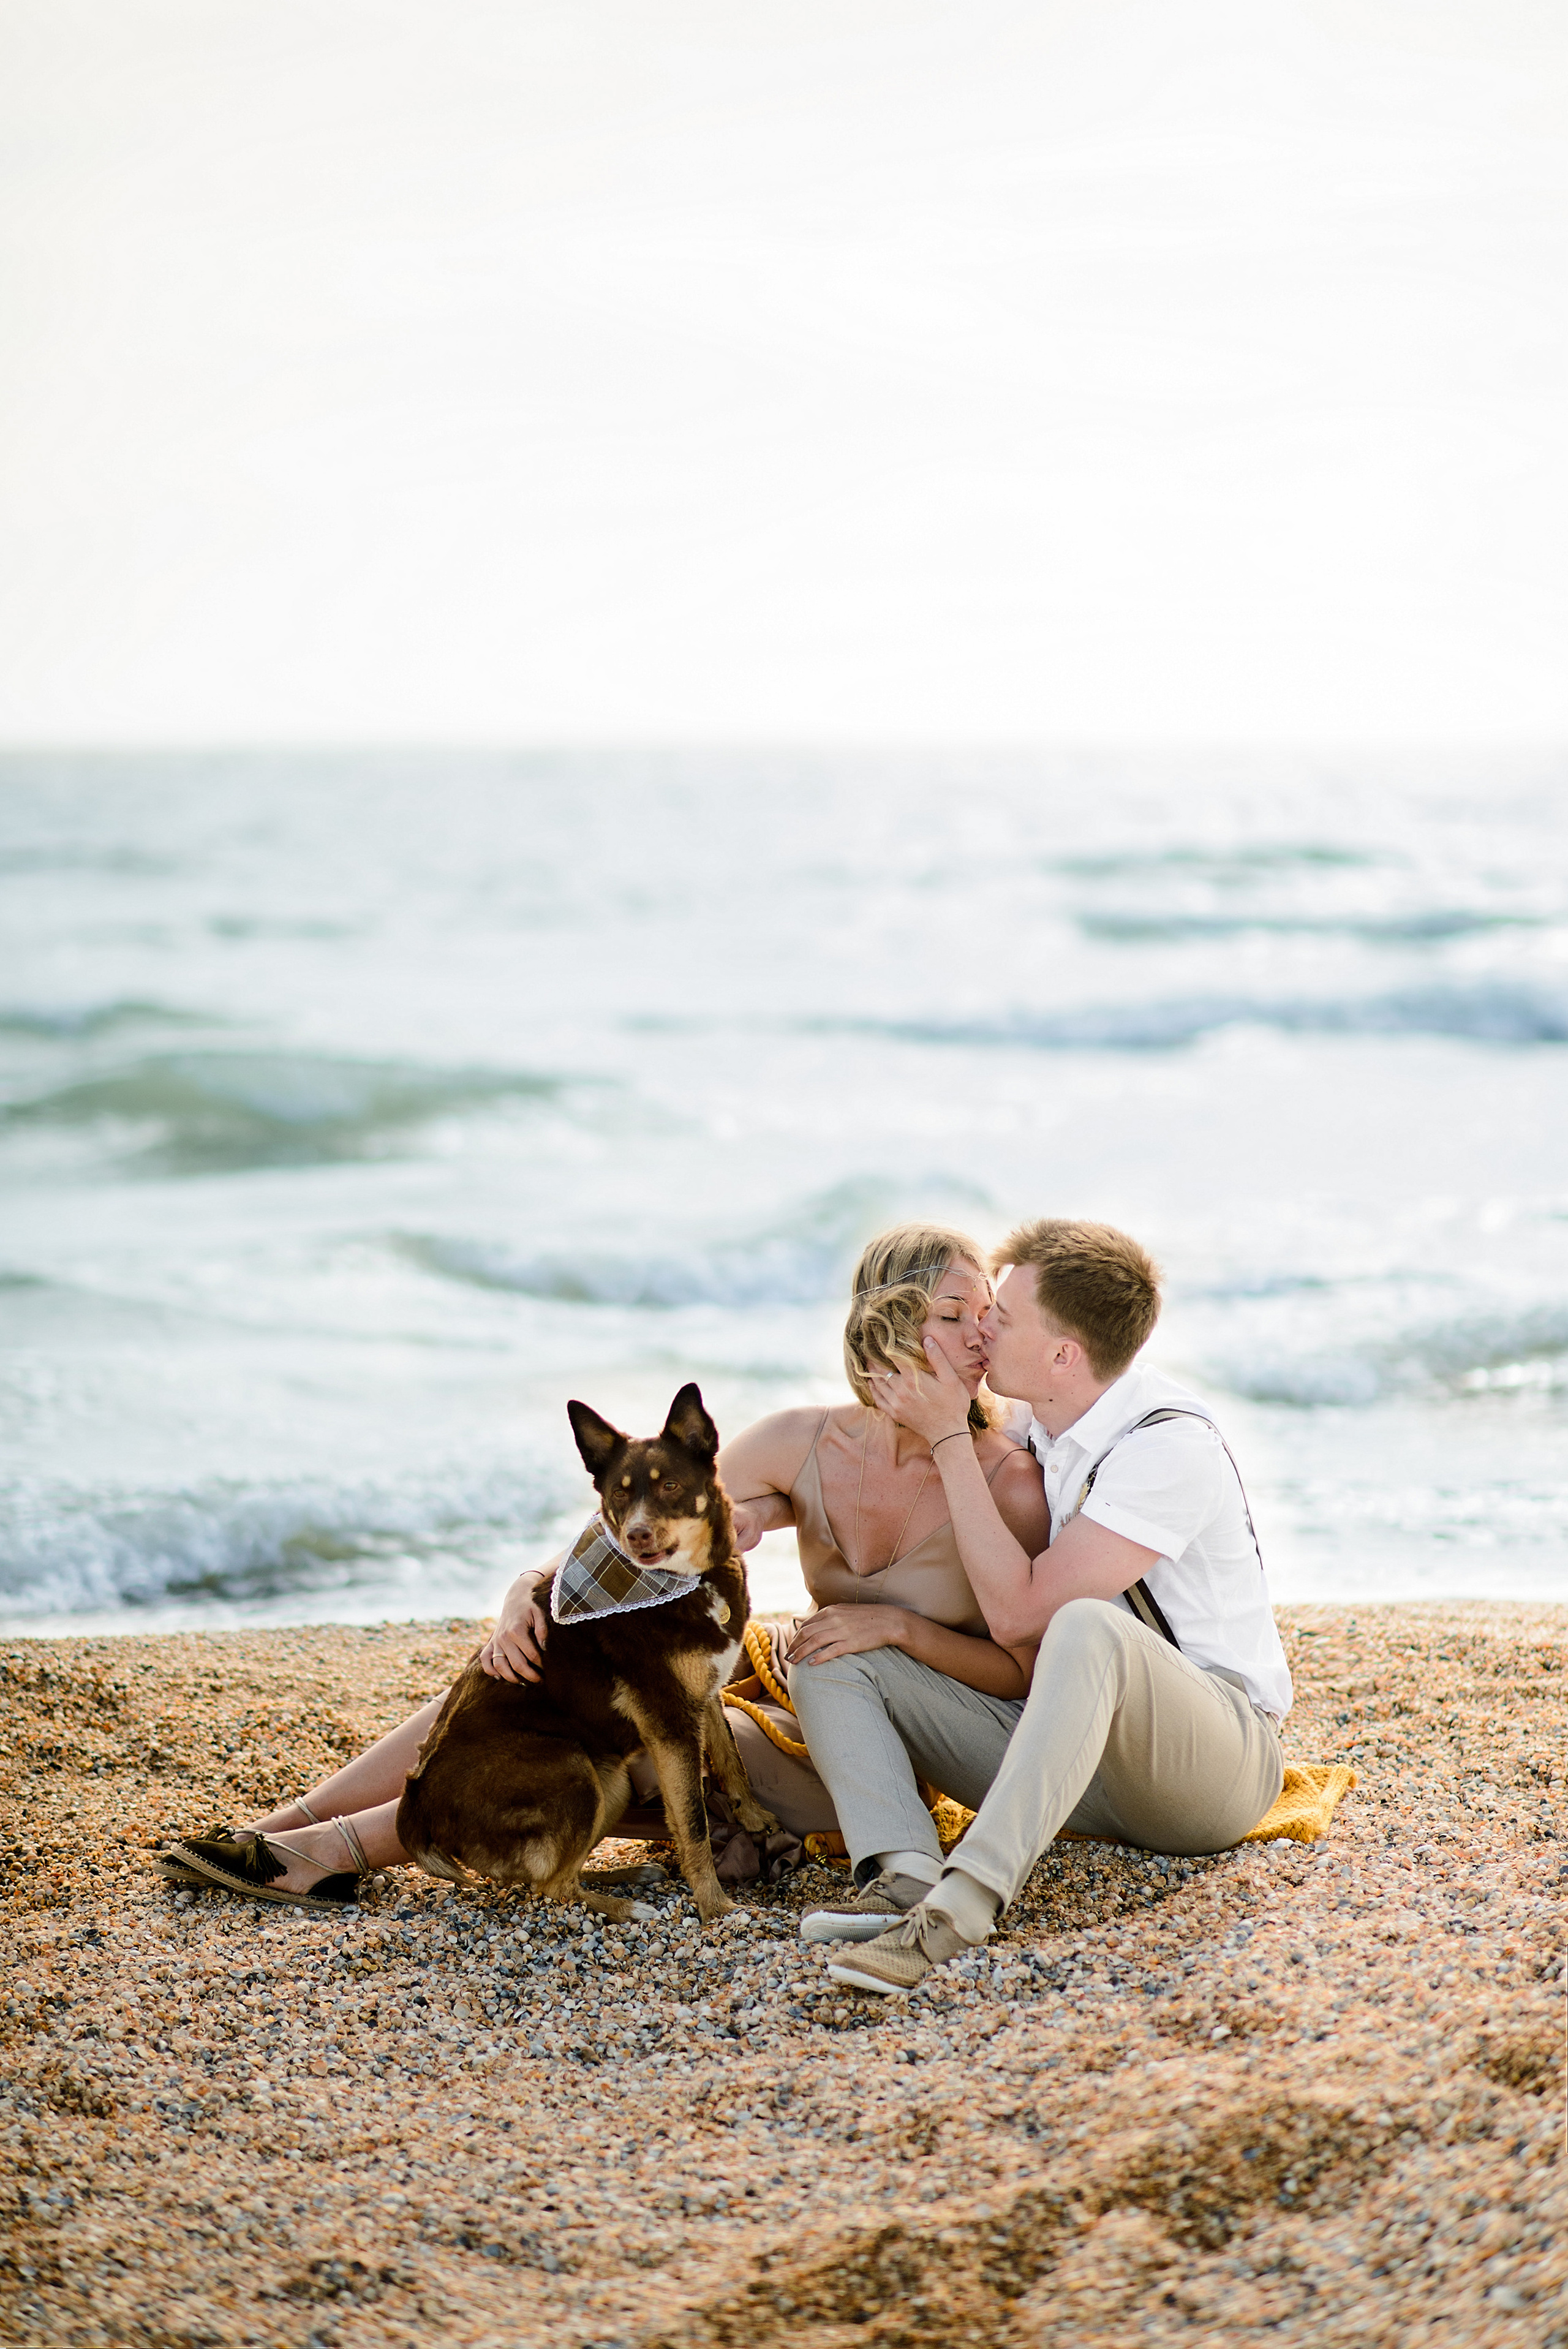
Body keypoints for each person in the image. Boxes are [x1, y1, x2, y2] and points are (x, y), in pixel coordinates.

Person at [160, 1223, 1049, 1912]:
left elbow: (1017, 1674)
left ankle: (327, 1854)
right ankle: (282, 1828)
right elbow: (640, 1531)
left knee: (619, 1744)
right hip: (778, 1687)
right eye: (953, 1315)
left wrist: (899, 1626)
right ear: (884, 1328)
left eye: (987, 1316)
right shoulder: (802, 1439)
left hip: (866, 1755)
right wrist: (527, 1590)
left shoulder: (1009, 1481)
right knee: (537, 1661)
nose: (982, 1335)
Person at [790, 1216, 1291, 1993]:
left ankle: (957, 1911)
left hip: (1207, 1770)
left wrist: (949, 1439)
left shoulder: (1165, 1448)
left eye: (1003, 1315)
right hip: (1067, 1760)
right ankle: (907, 1874)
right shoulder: (1042, 1413)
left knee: (1085, 1624)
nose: (982, 1324)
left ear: (1063, 1354)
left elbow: (1021, 1615)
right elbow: (912, 1411)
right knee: (830, 1650)